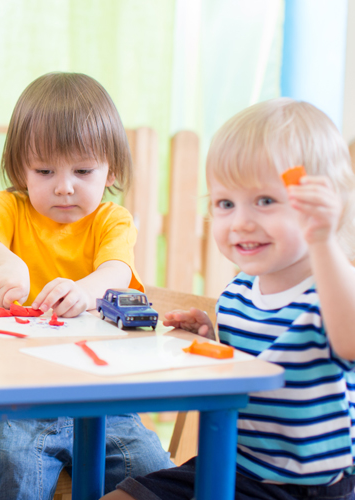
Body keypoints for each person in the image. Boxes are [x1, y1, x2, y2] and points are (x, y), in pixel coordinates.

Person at [104, 99, 355, 500]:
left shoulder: (334, 288)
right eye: (225, 204)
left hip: (306, 489)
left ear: (324, 207)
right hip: (233, 467)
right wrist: (213, 343)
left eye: (266, 201)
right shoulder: (238, 291)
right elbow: (247, 375)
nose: (241, 222)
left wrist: (322, 240)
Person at [0, 72, 174, 499]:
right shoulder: (10, 207)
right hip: (16, 398)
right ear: (20, 169)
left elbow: (117, 272)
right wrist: (6, 262)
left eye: (83, 170)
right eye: (45, 169)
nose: (64, 185)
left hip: (104, 400)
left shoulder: (113, 219)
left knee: (152, 472)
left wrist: (85, 290)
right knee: (14, 463)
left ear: (110, 168)